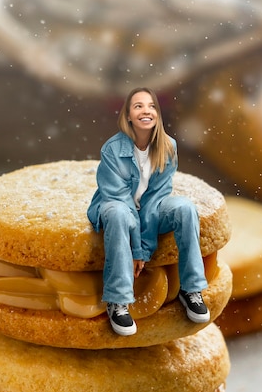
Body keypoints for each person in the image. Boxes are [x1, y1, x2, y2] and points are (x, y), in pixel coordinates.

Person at [87, 87, 210, 336]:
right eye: (138, 106)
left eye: (151, 106)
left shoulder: (168, 147)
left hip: (149, 209)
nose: (146, 111)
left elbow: (156, 197)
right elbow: (118, 197)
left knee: (185, 208)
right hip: (114, 206)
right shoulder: (112, 149)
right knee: (120, 214)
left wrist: (143, 247)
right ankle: (118, 301)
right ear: (128, 116)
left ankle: (190, 289)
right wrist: (136, 249)